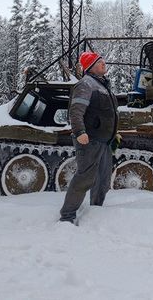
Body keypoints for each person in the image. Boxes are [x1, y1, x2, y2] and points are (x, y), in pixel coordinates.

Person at [59, 51, 120, 225]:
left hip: (105, 141)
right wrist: (80, 132)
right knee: (85, 178)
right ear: (91, 66)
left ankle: (95, 211)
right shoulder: (86, 84)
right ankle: (67, 216)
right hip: (90, 140)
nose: (104, 63)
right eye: (99, 61)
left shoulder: (103, 86)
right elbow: (76, 111)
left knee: (103, 181)